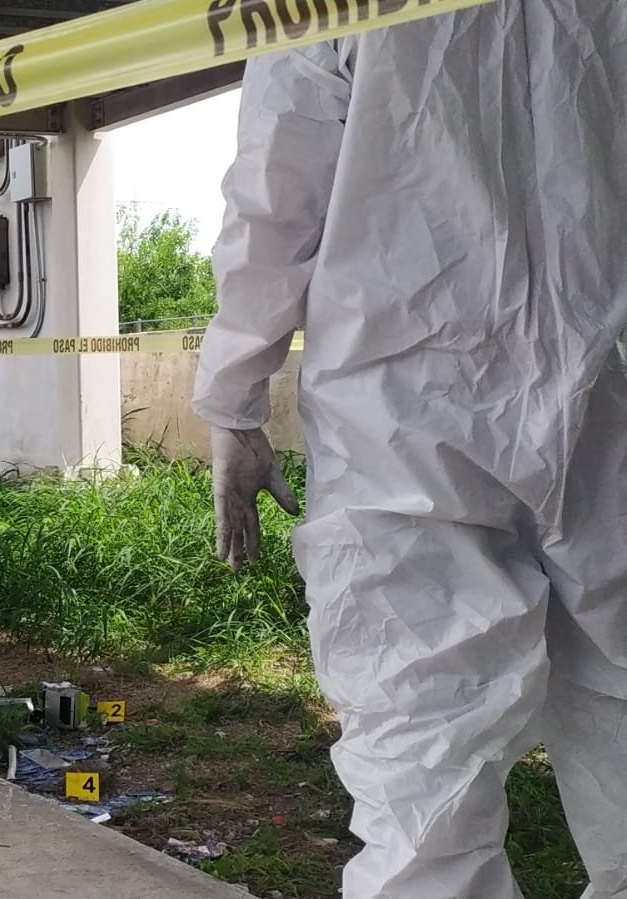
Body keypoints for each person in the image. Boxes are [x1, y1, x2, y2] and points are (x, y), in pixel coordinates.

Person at [192, 4, 627, 898]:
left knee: (421, 777)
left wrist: (232, 401)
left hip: (400, 410)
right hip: (602, 395)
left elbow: (275, 199)